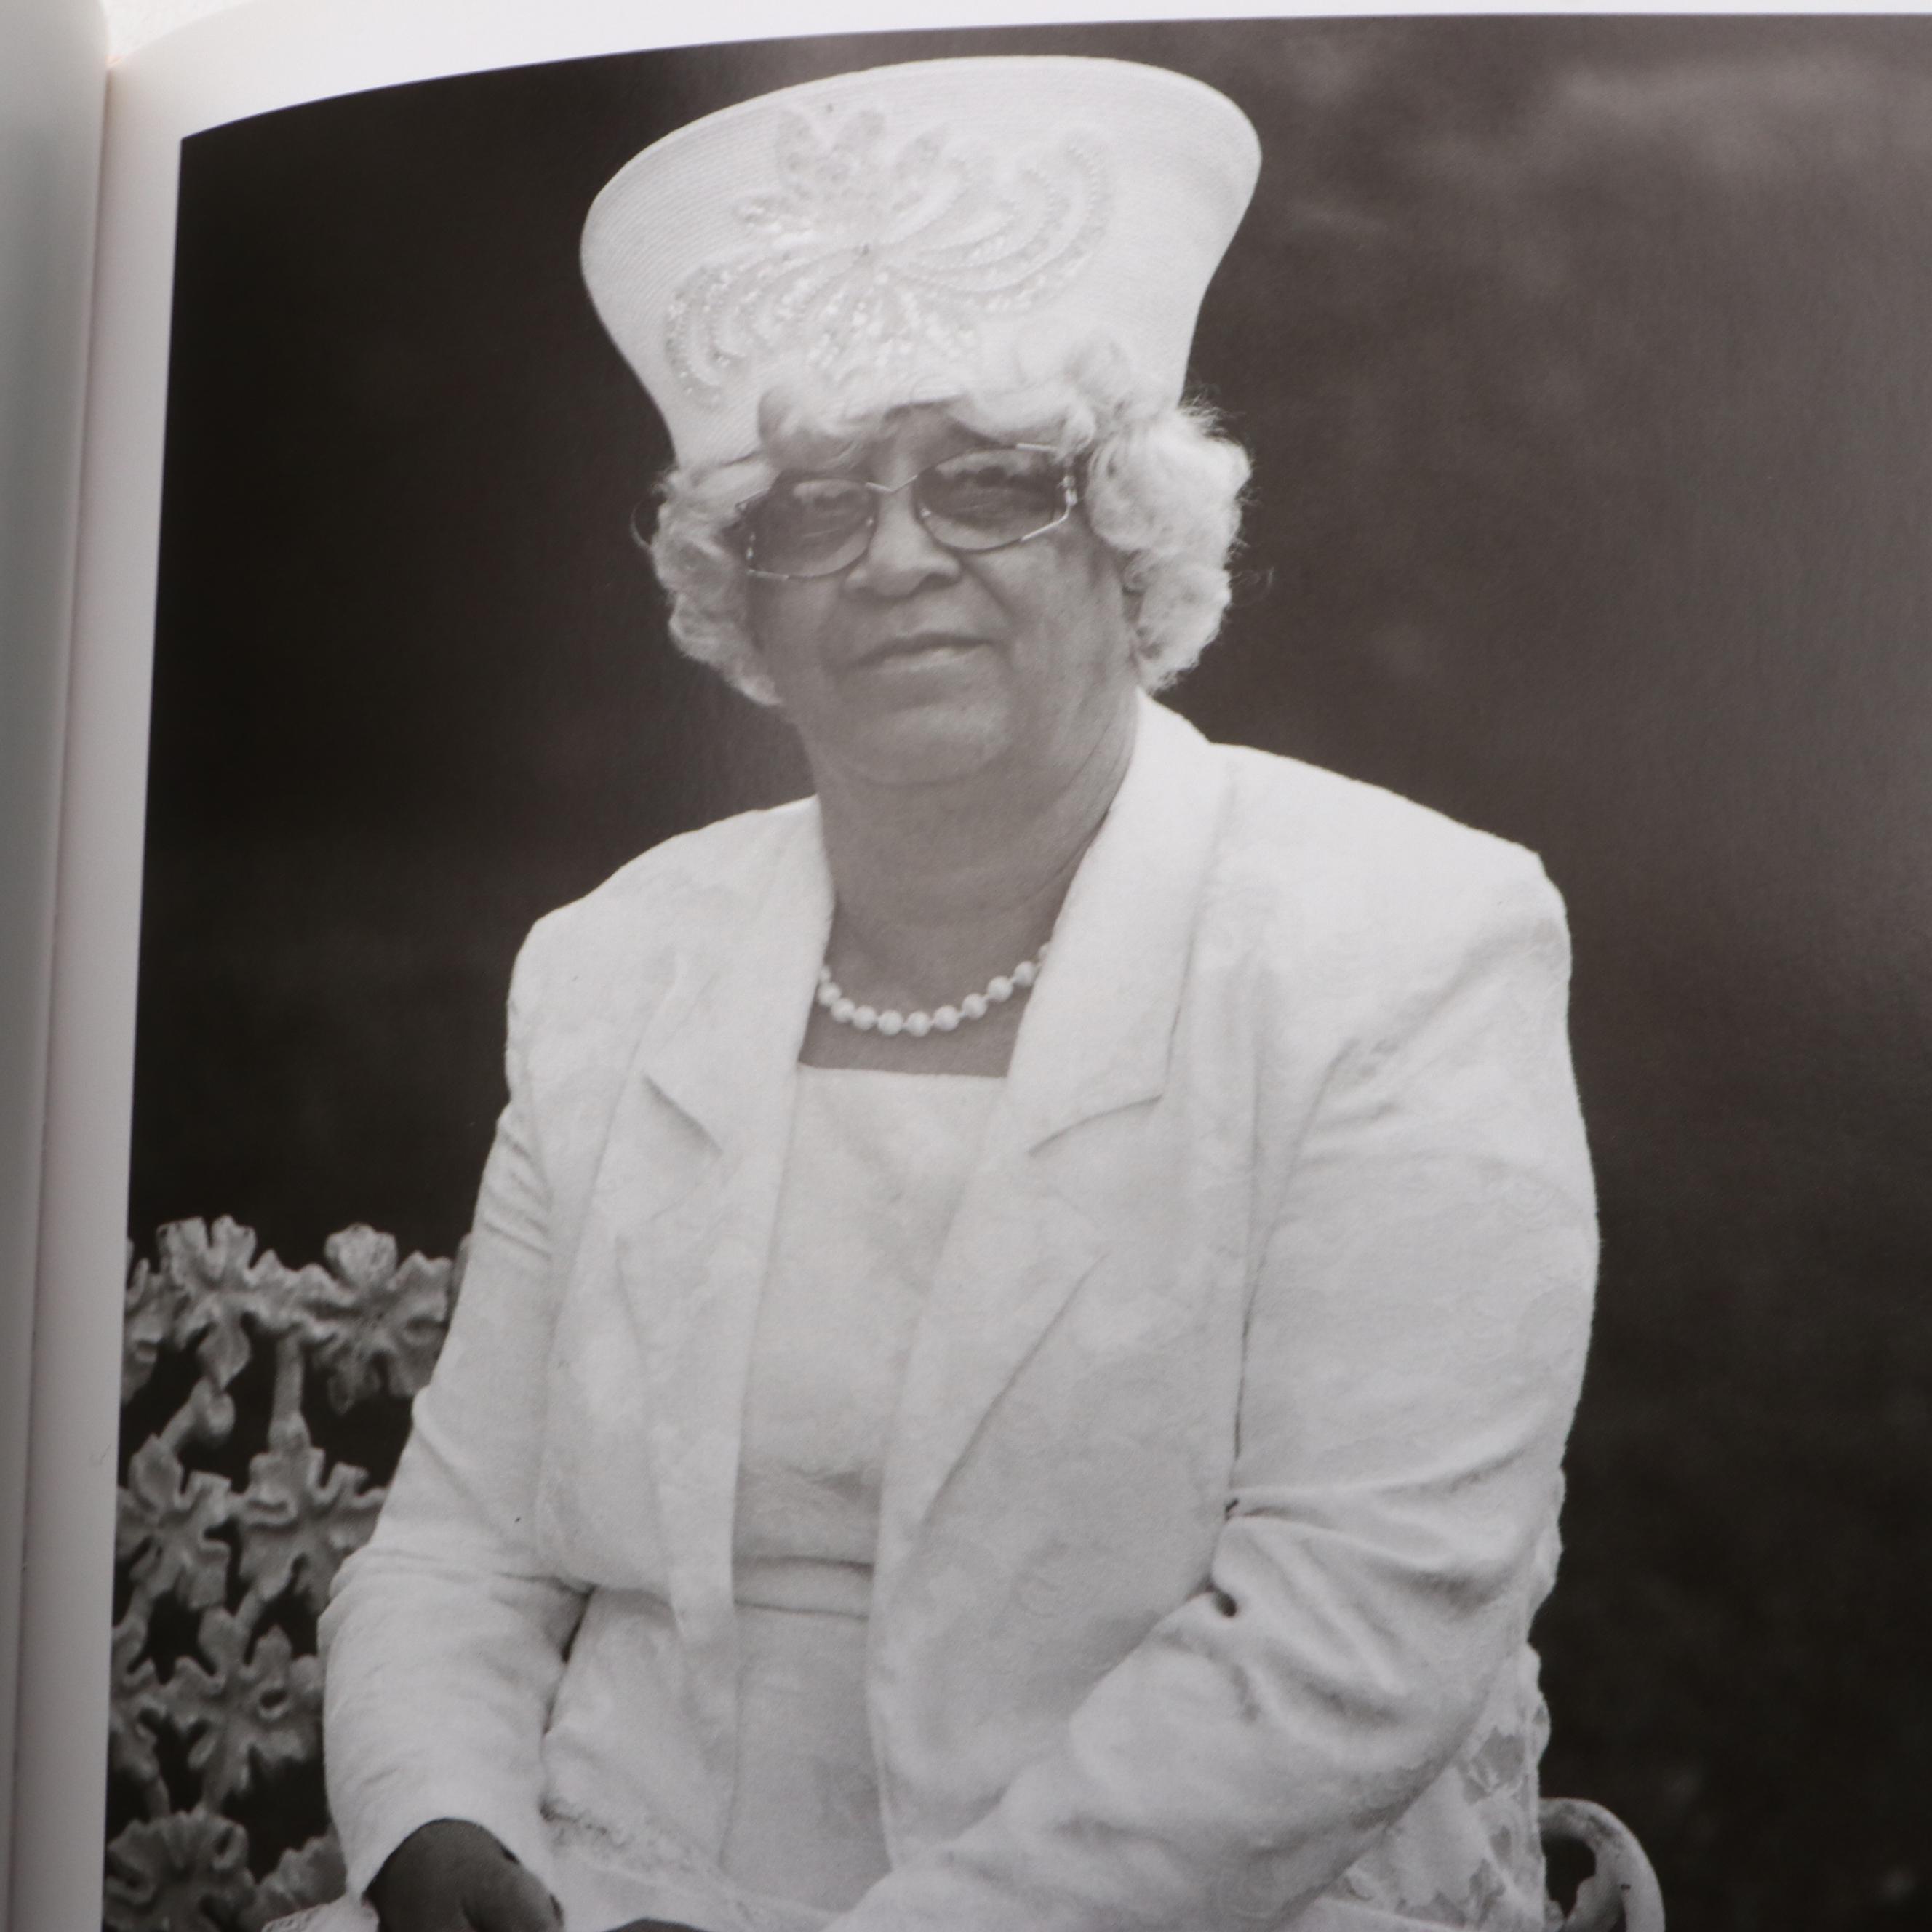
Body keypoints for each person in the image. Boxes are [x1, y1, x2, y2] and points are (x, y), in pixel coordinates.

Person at [309, 53, 1597, 1932]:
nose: (899, 557)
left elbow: (1351, 1632)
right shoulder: (615, 964)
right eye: (814, 507)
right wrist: (440, 1842)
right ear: (740, 598)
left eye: (992, 481)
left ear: (1129, 538)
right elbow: (460, 1549)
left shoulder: (1404, 942)